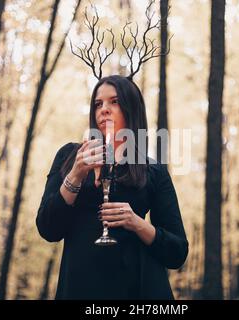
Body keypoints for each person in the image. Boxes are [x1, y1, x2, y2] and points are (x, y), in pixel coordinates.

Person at [36, 75, 188, 299]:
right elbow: (48, 228)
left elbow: (177, 253)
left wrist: (136, 223)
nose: (104, 109)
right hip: (79, 289)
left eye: (114, 101)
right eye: (98, 104)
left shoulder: (152, 171)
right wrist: (77, 174)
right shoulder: (70, 156)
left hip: (137, 290)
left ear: (132, 109)